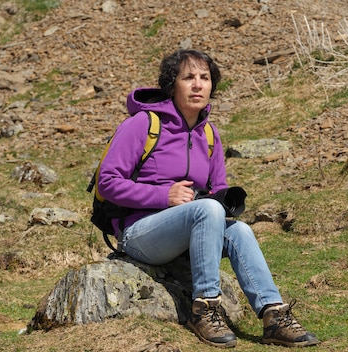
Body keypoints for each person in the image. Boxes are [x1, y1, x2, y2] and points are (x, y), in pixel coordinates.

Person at [97, 49, 320, 348]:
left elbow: (216, 192)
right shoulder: (143, 125)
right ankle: (204, 309)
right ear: (171, 85)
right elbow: (108, 182)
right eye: (188, 77)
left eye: (205, 78)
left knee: (240, 229)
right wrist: (165, 195)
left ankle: (273, 315)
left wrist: (220, 201)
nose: (198, 85)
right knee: (206, 210)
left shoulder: (210, 135)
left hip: (185, 234)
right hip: (138, 233)